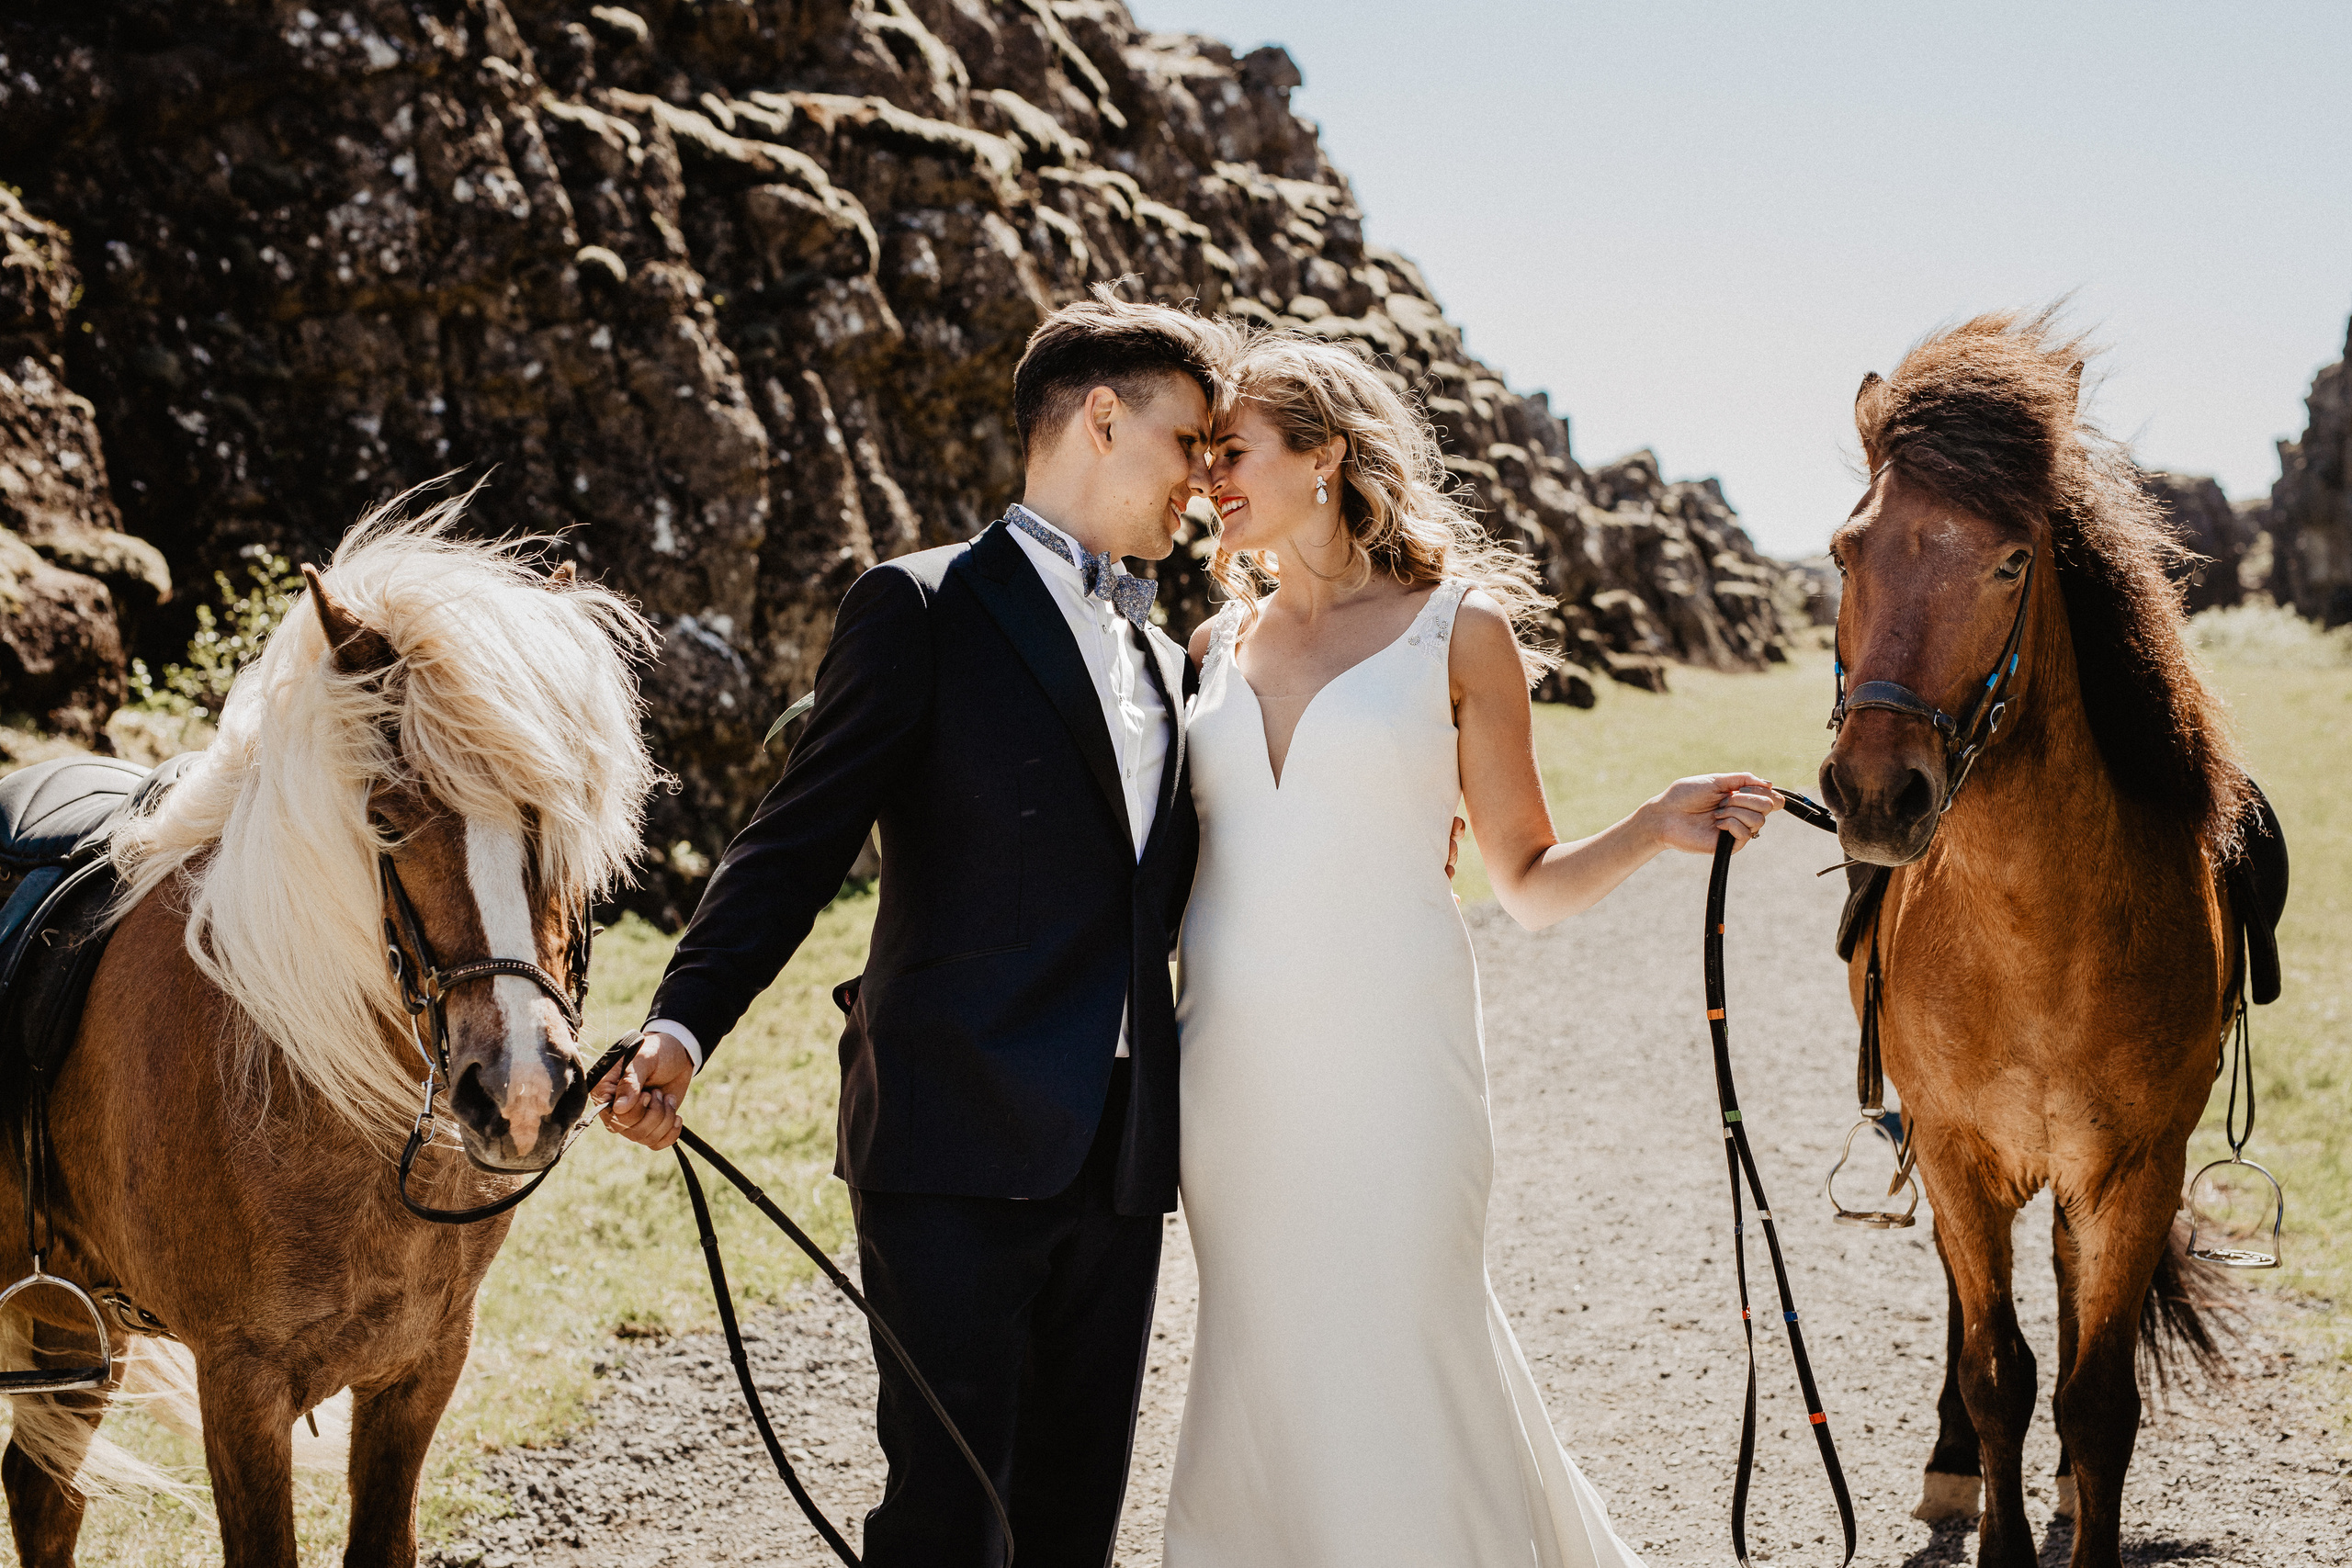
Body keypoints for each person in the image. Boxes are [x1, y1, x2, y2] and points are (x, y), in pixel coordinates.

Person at [598, 290, 1238, 1566]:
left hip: (1123, 1160)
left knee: (1071, 1526)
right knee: (950, 1524)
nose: (1205, 485)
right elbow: (797, 839)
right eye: (1189, 444)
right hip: (949, 1135)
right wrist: (682, 1023)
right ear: (1101, 418)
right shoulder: (922, 606)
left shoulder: (1171, 659)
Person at [1169, 333, 1781, 1566]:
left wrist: (1654, 828)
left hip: (1399, 1061)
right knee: (1264, 1349)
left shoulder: (1457, 630)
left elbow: (1529, 885)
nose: (1206, 482)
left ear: (1325, 456)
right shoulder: (1204, 653)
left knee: (1403, 1334)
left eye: (1231, 451)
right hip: (1228, 1078)